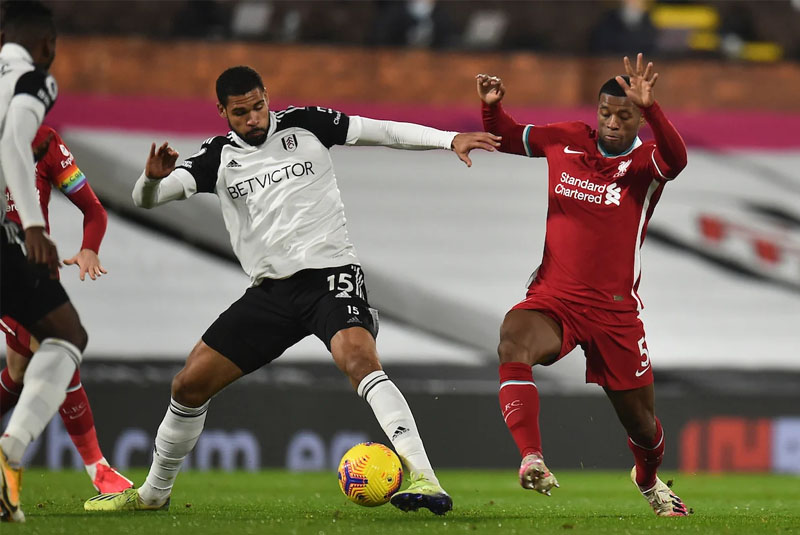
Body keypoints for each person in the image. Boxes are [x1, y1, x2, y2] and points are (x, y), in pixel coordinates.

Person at [83, 65, 501, 515]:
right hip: (271, 294)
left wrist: (447, 139)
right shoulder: (216, 158)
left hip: (331, 277)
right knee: (188, 385)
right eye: (240, 112)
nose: (254, 118)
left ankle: (424, 477)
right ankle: (153, 494)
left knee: (359, 360)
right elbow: (146, 200)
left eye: (259, 106)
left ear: (267, 97)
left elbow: (379, 131)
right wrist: (150, 177)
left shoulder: (307, 124)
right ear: (222, 111)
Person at [477, 53, 690, 517]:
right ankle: (531, 457)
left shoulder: (644, 163)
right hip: (556, 299)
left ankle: (649, 480)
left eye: (625, 115)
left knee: (643, 426)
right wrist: (492, 108)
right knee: (513, 340)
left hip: (615, 313)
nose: (613, 123)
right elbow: (510, 137)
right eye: (606, 113)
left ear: (638, 119)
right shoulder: (569, 139)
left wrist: (653, 109)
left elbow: (678, 159)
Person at [0, 124, 133, 494]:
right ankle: (98, 469)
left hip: (36, 267)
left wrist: (90, 246)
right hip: (7, 266)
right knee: (56, 346)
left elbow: (93, 209)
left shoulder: (43, 138)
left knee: (21, 368)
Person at [0, 0, 90, 523]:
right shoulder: (34, 79)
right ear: (48, 45)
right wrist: (34, 223)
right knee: (66, 333)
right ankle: (10, 448)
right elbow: (15, 139)